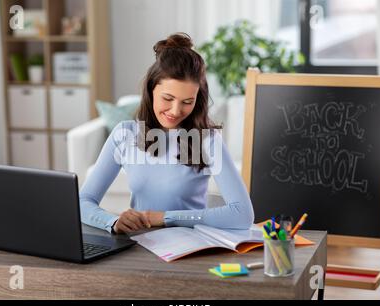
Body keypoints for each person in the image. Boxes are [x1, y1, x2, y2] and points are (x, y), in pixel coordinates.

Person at [79, 33, 254, 234]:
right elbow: (84, 201)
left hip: (190, 248)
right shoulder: (124, 135)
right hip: (139, 245)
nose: (175, 111)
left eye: (187, 102)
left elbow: (242, 214)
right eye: (168, 98)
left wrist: (164, 218)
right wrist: (112, 222)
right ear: (152, 89)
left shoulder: (206, 140)